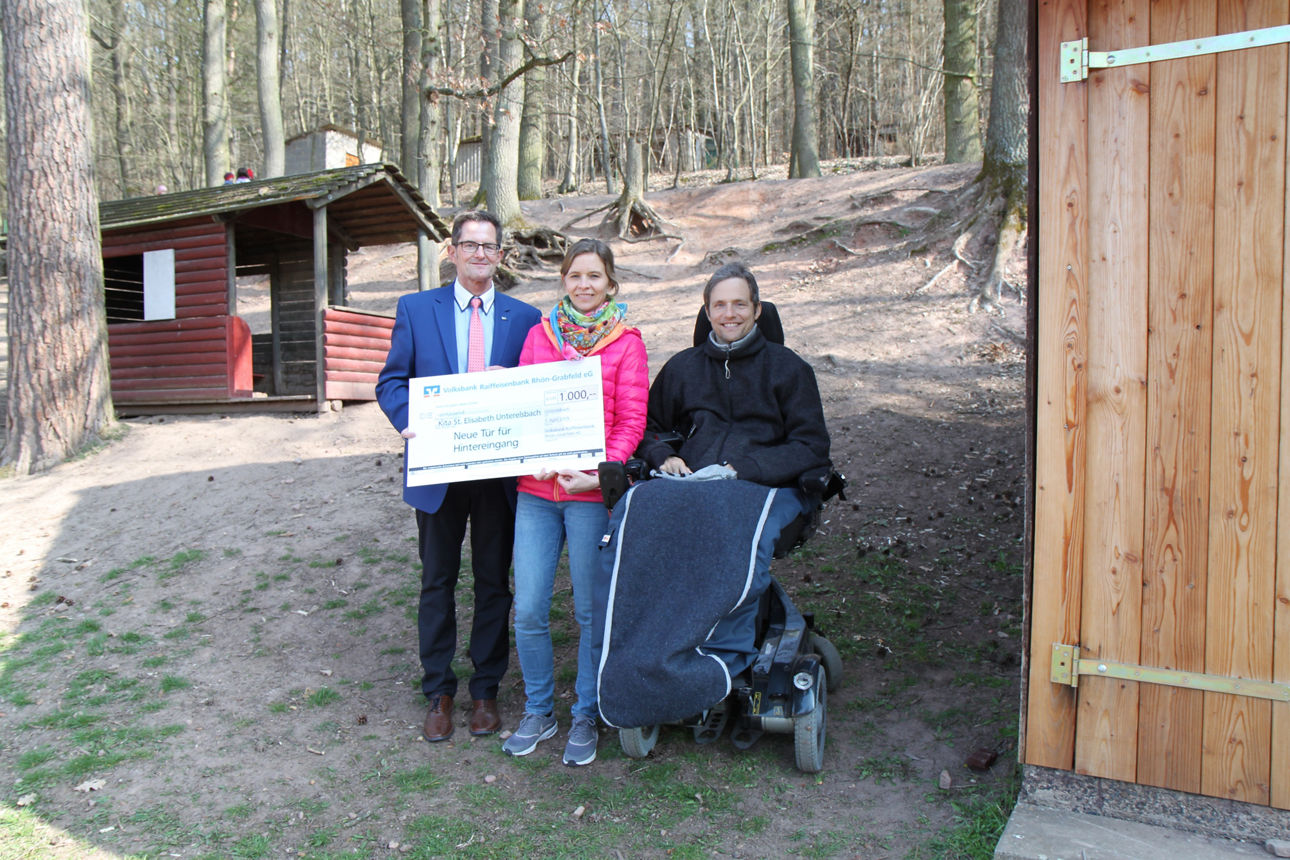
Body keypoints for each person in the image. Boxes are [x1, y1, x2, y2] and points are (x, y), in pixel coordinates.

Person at [376, 211, 542, 742]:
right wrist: (408, 420)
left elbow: (538, 389)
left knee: (494, 582)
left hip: (498, 473)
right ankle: (439, 690)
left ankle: (486, 690)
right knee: (437, 581)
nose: (478, 254)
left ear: (500, 254)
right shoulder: (415, 309)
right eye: (468, 245)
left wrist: (513, 382)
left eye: (488, 246)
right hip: (437, 469)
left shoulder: (526, 316)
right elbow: (392, 381)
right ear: (452, 251)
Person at [634, 261, 830, 674]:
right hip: (692, 484)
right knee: (642, 524)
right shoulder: (682, 368)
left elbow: (811, 446)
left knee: (730, 533)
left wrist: (742, 469)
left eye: (739, 304)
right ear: (707, 312)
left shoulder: (789, 368)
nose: (730, 314)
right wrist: (664, 457)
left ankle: (727, 659)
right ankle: (657, 645)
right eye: (720, 305)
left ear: (758, 310)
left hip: (765, 487)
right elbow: (648, 428)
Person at [502, 239, 649, 766]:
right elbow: (524, 410)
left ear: (610, 282)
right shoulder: (539, 336)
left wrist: (597, 473)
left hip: (590, 497)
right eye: (574, 275)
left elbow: (632, 422)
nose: (583, 285)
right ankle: (540, 710)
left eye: (594, 276)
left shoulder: (627, 343)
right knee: (530, 609)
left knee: (589, 611)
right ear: (562, 281)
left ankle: (585, 712)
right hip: (536, 495)